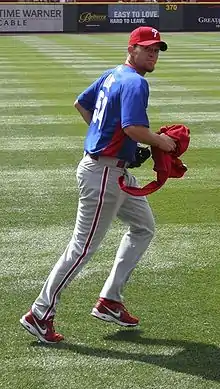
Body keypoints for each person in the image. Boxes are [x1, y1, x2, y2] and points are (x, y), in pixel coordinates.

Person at [20, 26, 176, 344]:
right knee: (82, 248)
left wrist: (106, 138)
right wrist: (162, 141)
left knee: (143, 227)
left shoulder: (113, 74)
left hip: (113, 169)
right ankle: (39, 313)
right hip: (103, 175)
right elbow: (133, 128)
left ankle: (110, 300)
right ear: (131, 48)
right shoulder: (134, 81)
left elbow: (81, 103)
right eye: (147, 48)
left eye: (157, 49)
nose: (153, 53)